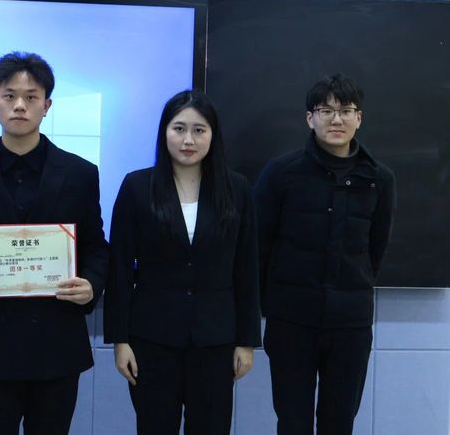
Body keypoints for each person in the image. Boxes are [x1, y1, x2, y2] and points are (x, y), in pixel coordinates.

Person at [0, 51, 109, 435]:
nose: (20, 105)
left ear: (47, 105)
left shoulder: (80, 174)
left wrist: (92, 284)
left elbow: (96, 247)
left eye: (31, 96)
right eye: (9, 96)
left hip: (56, 344)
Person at [104, 89, 261, 435]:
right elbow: (119, 267)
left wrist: (247, 340)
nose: (188, 140)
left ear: (213, 136)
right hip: (152, 338)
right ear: (164, 132)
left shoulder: (236, 189)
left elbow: (247, 268)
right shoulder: (137, 186)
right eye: (179, 129)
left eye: (199, 130)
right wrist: (120, 340)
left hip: (215, 340)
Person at [254, 74, 396, 435]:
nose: (336, 119)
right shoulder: (281, 173)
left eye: (345, 111)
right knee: (292, 422)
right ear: (309, 118)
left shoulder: (379, 179)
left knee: (339, 422)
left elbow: (375, 249)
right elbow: (259, 245)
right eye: (326, 110)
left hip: (350, 324)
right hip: (291, 321)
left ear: (358, 118)